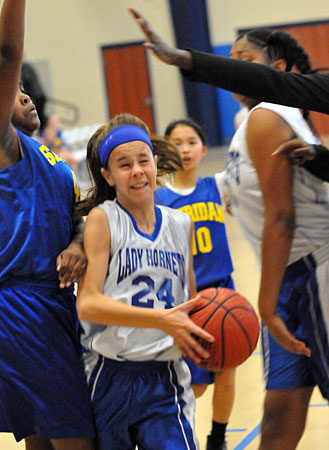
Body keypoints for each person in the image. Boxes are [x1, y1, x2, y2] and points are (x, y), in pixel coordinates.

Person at [75, 112, 215, 450]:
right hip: (111, 374)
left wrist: (211, 335)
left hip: (165, 373)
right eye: (124, 165)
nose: (137, 171)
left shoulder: (181, 224)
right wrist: (161, 319)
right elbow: (88, 303)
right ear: (108, 175)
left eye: (143, 161)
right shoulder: (103, 218)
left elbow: (190, 303)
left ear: (155, 163)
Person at [221, 29, 329, 450]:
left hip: (315, 270)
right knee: (279, 413)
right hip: (288, 277)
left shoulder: (269, 113)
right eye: (229, 59)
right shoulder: (246, 119)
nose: (232, 67)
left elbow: (282, 217)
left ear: (278, 69)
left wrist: (264, 304)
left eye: (244, 59)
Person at [0, 1, 95, 449]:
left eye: (25, 89)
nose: (24, 95)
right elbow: (5, 54)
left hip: (49, 303)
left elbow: (75, 212)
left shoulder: (47, 155)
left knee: (41, 437)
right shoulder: (5, 144)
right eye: (12, 90)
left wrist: (78, 241)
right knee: (77, 437)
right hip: (24, 307)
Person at [128, 7, 329, 181]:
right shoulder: (251, 116)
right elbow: (275, 83)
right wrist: (319, 157)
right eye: (234, 60)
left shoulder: (271, 119)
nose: (240, 67)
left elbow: (281, 216)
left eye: (246, 60)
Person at [155, 118, 235, 450]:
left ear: (204, 149)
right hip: (188, 299)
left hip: (225, 292)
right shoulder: (160, 196)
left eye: (191, 142)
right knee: (196, 385)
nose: (184, 149)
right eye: (176, 142)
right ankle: (176, 435)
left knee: (228, 370)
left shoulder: (219, 185)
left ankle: (217, 439)